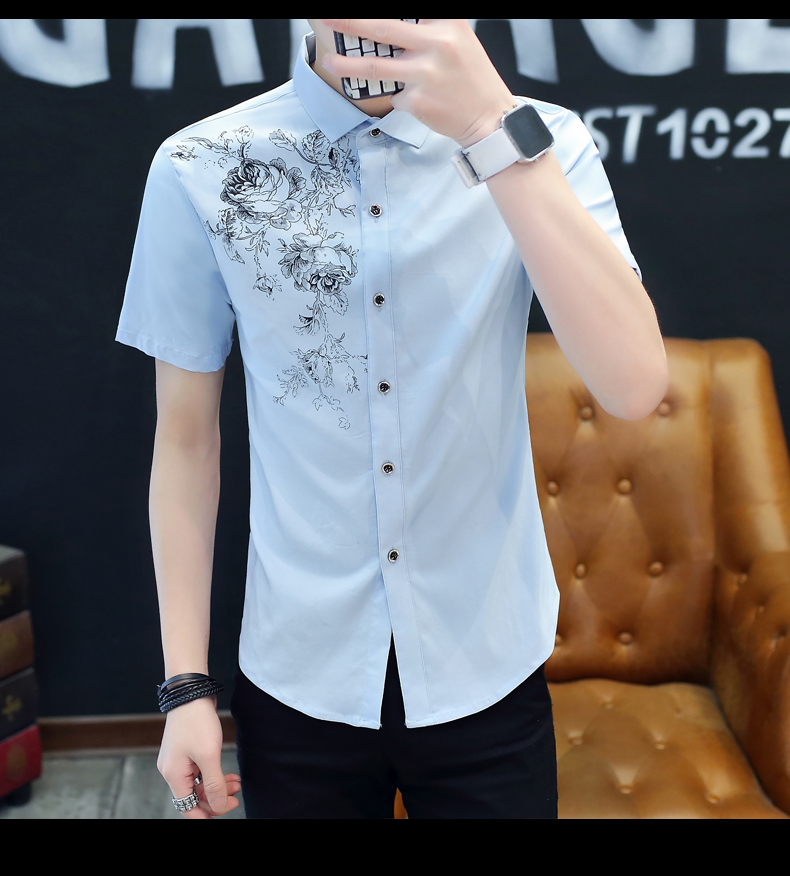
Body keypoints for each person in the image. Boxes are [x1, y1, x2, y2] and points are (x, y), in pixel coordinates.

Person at [116, 19, 669, 819]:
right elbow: (185, 443)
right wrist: (185, 685)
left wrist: (491, 130)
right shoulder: (201, 164)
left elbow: (634, 386)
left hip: (485, 661)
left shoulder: (543, 142)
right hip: (299, 670)